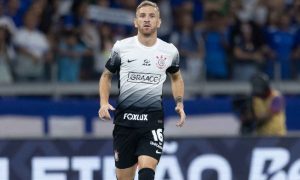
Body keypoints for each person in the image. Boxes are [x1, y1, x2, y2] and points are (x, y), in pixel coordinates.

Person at [98, 1, 186, 180]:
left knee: (147, 171)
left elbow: (176, 77)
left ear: (159, 22)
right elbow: (106, 76)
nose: (147, 20)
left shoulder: (169, 51)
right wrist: (104, 103)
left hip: (152, 123)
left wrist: (179, 102)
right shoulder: (121, 47)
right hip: (125, 124)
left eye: (152, 16)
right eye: (142, 16)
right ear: (135, 22)